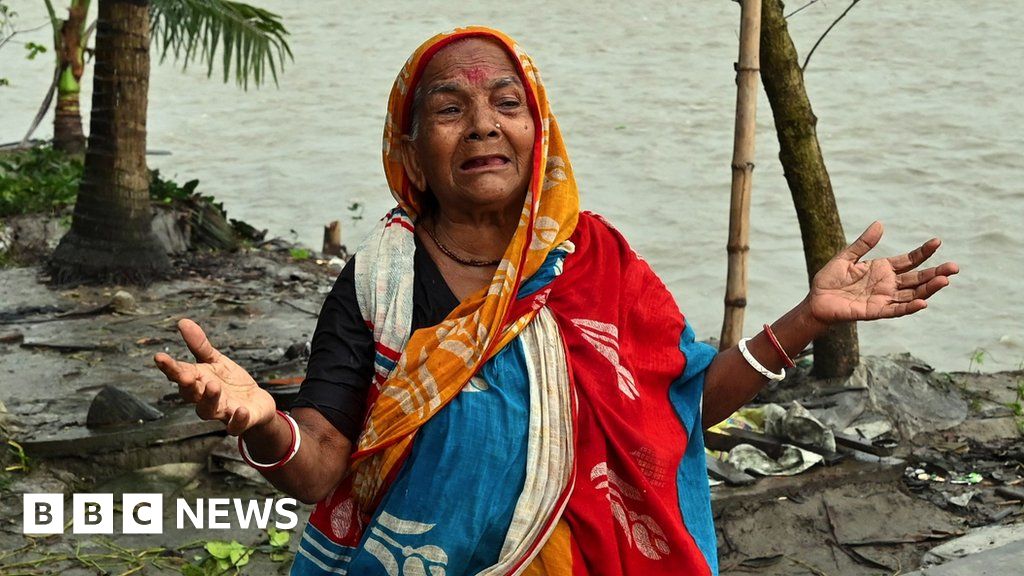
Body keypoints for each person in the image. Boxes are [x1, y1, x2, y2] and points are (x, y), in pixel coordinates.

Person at [154, 26, 958, 576]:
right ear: (412, 154)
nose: (483, 126)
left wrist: (808, 318)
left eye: (507, 105)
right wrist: (262, 422)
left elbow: (679, 403)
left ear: (541, 137)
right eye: (450, 109)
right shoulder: (380, 279)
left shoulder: (596, 261)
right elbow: (323, 462)